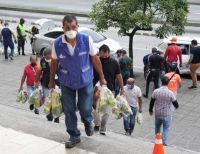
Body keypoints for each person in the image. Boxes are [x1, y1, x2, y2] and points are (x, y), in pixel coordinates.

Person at [49, 15, 106, 148]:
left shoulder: (86, 40)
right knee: (69, 109)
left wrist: (102, 77)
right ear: (63, 28)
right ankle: (74, 136)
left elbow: (95, 59)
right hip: (66, 81)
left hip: (85, 80)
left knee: (85, 107)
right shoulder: (57, 43)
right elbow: (54, 63)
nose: (70, 30)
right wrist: (52, 80)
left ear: (77, 26)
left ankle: (87, 121)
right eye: (67, 28)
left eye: (73, 27)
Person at [93, 44, 124, 135]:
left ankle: (103, 127)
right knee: (94, 108)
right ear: (99, 53)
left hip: (109, 90)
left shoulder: (114, 62)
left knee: (106, 111)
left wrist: (122, 88)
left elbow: (119, 76)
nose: (105, 57)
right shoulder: (94, 60)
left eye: (107, 55)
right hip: (94, 89)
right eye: (103, 55)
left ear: (109, 53)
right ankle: (97, 124)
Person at [149, 76, 179, 146]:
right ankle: (163, 142)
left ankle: (157, 140)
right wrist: (176, 107)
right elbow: (176, 104)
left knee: (157, 127)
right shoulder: (170, 93)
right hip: (167, 114)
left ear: (161, 82)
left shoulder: (156, 91)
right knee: (166, 128)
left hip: (158, 113)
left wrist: (150, 110)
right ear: (168, 83)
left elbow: (152, 102)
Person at [35, 48, 59, 123]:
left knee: (55, 101)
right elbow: (39, 70)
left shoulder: (57, 60)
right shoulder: (42, 60)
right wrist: (36, 81)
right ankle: (49, 114)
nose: (45, 57)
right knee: (47, 99)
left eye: (46, 56)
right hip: (45, 84)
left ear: (50, 54)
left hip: (56, 84)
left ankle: (56, 116)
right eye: (44, 56)